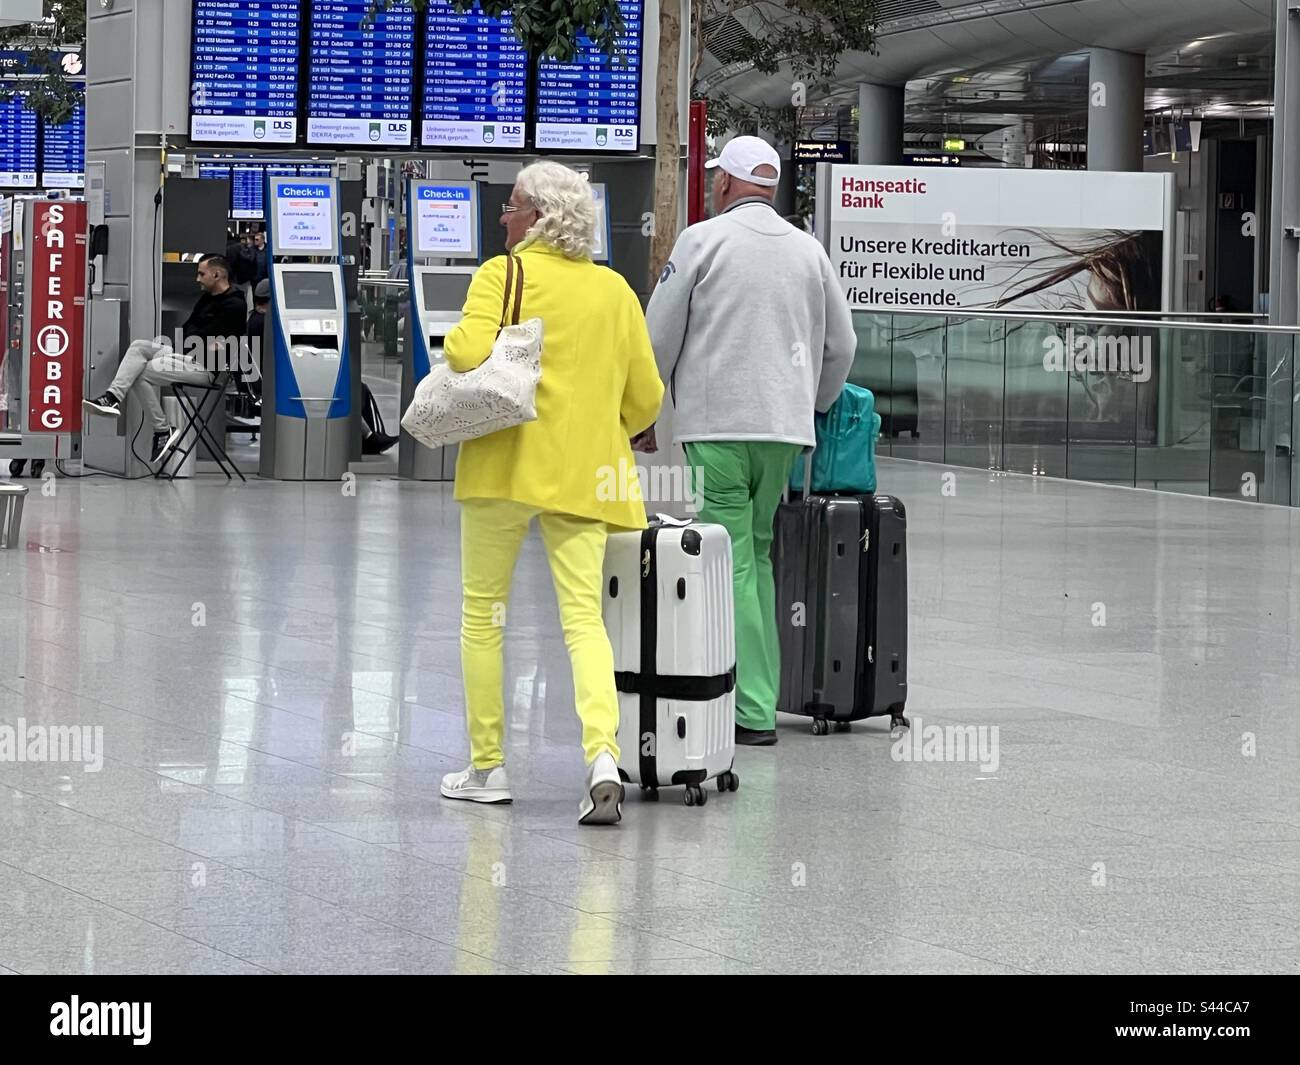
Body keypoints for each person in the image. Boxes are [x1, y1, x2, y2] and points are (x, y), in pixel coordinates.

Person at [438, 160, 663, 825]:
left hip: (505, 465)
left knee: (484, 613)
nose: (501, 217)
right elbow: (646, 397)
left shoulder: (499, 275)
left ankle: (487, 766)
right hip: (586, 475)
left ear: (536, 216)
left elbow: (462, 353)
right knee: (583, 619)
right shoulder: (615, 292)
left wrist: (461, 336)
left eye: (510, 206)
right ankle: (600, 754)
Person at [644, 135, 856, 747]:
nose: (712, 185)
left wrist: (645, 407)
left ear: (727, 185)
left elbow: (658, 336)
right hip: (784, 434)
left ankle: (749, 708)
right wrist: (809, 404)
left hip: (717, 428)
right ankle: (756, 699)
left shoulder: (701, 241)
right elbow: (841, 347)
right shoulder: (810, 252)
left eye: (716, 178)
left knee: (730, 558)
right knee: (756, 554)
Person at [83, 254, 248, 465]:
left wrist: (199, 338)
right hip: (186, 355)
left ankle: (162, 429)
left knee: (139, 372)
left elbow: (200, 337)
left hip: (206, 369)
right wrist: (199, 338)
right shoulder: (207, 298)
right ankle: (113, 397)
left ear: (217, 275)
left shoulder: (235, 306)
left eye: (201, 273)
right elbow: (189, 331)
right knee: (139, 347)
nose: (197, 278)